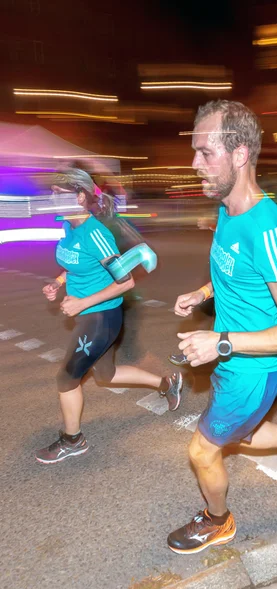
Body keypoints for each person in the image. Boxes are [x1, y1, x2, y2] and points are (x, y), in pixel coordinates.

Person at [167, 100, 277, 555]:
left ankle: (218, 521)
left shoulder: (268, 230)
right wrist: (204, 295)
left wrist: (220, 341)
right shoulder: (228, 208)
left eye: (205, 153)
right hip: (237, 358)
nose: (194, 163)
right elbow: (237, 272)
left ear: (240, 154)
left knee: (202, 451)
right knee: (242, 433)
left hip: (253, 368)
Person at [36, 169, 182, 464]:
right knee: (106, 375)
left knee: (66, 378)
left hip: (100, 318)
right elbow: (78, 267)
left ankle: (73, 440)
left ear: (79, 198)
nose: (51, 200)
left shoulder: (95, 234)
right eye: (50, 193)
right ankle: (167, 383)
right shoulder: (69, 227)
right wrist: (58, 283)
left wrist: (82, 303)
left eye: (58, 194)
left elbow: (125, 281)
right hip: (88, 315)